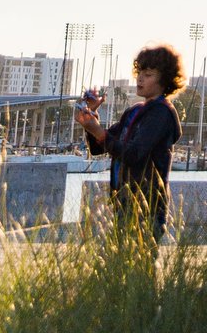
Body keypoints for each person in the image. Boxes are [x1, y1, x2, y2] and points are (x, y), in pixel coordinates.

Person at [75, 44, 184, 241]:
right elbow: (100, 147)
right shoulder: (134, 111)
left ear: (165, 80)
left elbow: (133, 154)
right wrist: (91, 121)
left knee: (139, 266)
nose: (140, 78)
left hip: (147, 206)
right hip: (124, 203)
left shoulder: (161, 113)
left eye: (148, 74)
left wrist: (98, 131)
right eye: (140, 72)